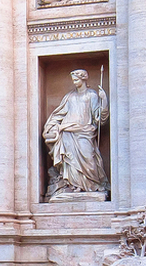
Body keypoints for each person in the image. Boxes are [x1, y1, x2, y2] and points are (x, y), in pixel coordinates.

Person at [44, 69, 110, 198]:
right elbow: (59, 114)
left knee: (89, 159)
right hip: (68, 132)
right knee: (70, 160)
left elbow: (98, 117)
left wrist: (104, 102)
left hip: (85, 132)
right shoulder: (70, 96)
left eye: (76, 79)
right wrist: (51, 126)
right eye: (73, 80)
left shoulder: (92, 95)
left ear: (84, 79)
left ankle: (91, 185)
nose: (74, 82)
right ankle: (73, 186)